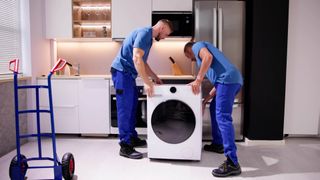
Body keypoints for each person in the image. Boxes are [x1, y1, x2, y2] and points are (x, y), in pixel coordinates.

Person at [110, 19, 173, 159]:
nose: (165, 37)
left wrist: (154, 77)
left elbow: (143, 63)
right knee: (125, 109)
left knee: (132, 107)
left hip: (128, 75)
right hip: (121, 73)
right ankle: (125, 146)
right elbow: (137, 58)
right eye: (166, 34)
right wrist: (146, 82)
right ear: (162, 27)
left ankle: (131, 137)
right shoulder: (144, 33)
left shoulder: (149, 39)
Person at [184, 41, 243, 177]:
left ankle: (232, 162)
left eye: (188, 56)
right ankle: (218, 144)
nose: (191, 59)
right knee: (214, 109)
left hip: (227, 80)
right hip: (229, 80)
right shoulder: (210, 62)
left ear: (188, 50)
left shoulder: (197, 46)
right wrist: (205, 101)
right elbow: (217, 86)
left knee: (223, 117)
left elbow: (208, 58)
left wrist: (198, 80)